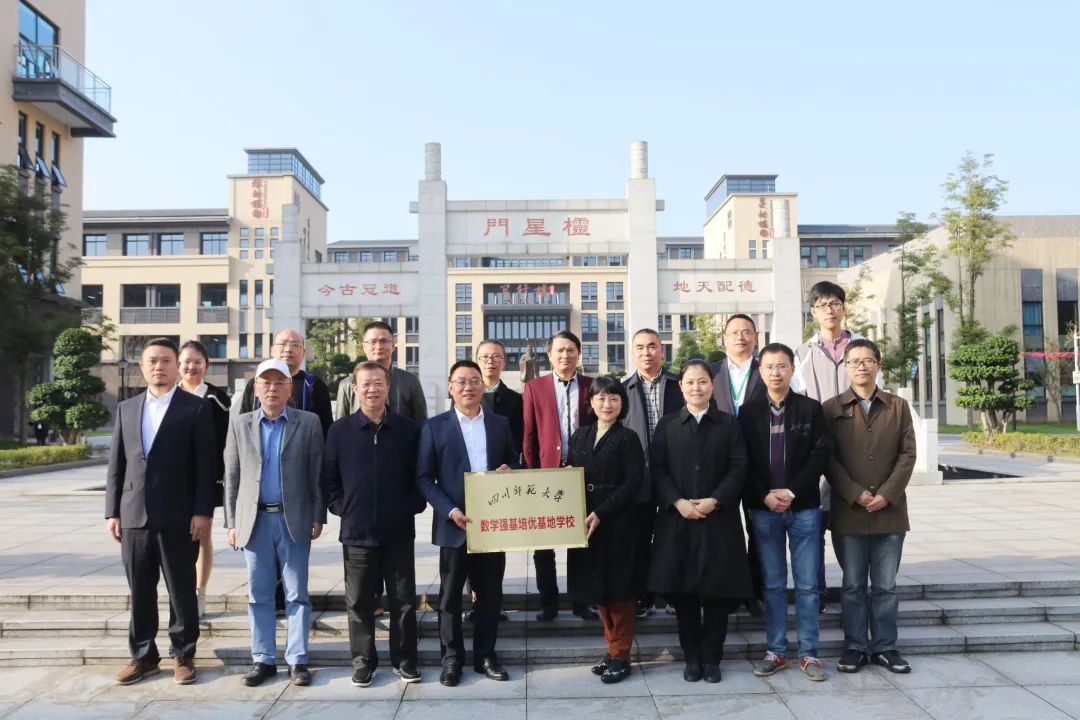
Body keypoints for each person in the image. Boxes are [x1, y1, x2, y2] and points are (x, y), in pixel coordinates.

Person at [105, 337, 217, 686]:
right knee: (140, 589)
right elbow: (117, 464)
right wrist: (112, 512)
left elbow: (206, 465)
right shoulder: (127, 408)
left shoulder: (195, 408)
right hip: (134, 514)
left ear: (176, 366)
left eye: (166, 360)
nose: (159, 366)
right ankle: (143, 656)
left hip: (180, 517)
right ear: (142, 367)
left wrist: (202, 512)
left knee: (181, 589)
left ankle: (183, 653)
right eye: (152, 361)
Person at [322, 361, 425, 687]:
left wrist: (412, 506)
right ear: (355, 389)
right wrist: (344, 508)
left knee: (403, 600)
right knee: (359, 602)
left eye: (378, 383)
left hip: (399, 531)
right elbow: (329, 480)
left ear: (388, 387)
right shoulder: (340, 431)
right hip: (357, 532)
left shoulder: (408, 430)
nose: (372, 389)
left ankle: (405, 659)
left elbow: (420, 476)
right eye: (365, 384)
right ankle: (363, 661)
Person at [648, 359, 751, 684]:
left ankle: (712, 658)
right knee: (685, 596)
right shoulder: (667, 425)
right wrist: (677, 502)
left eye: (702, 381)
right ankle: (692, 658)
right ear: (681, 387)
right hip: (678, 521)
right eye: (690, 382)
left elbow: (739, 467)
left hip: (718, 520)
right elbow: (658, 470)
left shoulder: (728, 424)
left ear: (712, 385)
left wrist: (715, 500)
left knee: (718, 594)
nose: (696, 387)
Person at [224, 358, 325, 688]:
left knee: (297, 594)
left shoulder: (308, 423)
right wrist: (231, 522)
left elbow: (317, 472)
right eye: (265, 382)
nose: (272, 388)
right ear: (256, 388)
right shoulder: (240, 424)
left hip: (293, 519)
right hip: (253, 521)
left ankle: (298, 660)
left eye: (279, 382)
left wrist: (318, 515)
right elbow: (232, 475)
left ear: (289, 388)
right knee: (259, 594)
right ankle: (263, 658)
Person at [416, 360, 517, 687]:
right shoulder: (434, 427)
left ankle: (485, 656)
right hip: (454, 525)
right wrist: (449, 510)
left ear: (483, 385)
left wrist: (510, 471)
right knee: (449, 598)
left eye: (474, 380)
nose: (468, 387)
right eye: (461, 381)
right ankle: (451, 659)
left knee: (490, 595)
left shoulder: (499, 423)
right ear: (450, 387)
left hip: (492, 524)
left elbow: (515, 462)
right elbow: (423, 478)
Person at [738, 343, 832, 683]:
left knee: (807, 585)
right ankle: (776, 651)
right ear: (760, 371)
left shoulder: (810, 408)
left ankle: (809, 653)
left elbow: (820, 455)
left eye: (782, 366)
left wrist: (791, 491)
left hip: (803, 507)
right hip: (765, 509)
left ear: (792, 369)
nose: (775, 373)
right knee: (774, 585)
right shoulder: (748, 412)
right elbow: (742, 461)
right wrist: (764, 495)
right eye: (769, 367)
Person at [823, 339, 916, 675]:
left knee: (885, 586)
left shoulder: (897, 406)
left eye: (868, 360)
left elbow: (908, 454)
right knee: (852, 585)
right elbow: (827, 458)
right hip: (849, 511)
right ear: (845, 367)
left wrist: (887, 493)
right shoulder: (831, 408)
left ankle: (885, 647)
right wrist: (854, 492)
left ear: (878, 365)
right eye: (854, 361)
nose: (861, 366)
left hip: (890, 512)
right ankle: (855, 647)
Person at [792, 281, 879, 611]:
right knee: (812, 526)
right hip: (814, 451)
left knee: (853, 525)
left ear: (844, 307)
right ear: (813, 312)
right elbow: (798, 401)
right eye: (822, 305)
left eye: (834, 303)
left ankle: (856, 592)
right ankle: (816, 593)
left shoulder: (861, 348)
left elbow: (876, 395)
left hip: (856, 449)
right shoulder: (802, 353)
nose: (829, 310)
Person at [566, 376, 645, 684]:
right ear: (591, 402)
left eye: (613, 398)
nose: (607, 404)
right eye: (600, 398)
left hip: (617, 523)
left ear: (622, 403)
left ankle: (621, 655)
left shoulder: (628, 438)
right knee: (598, 591)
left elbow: (633, 482)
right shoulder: (580, 436)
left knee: (619, 592)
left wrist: (602, 511)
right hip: (585, 522)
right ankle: (612, 650)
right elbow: (570, 472)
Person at [522, 330, 596, 621]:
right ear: (550, 355)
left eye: (570, 350)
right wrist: (532, 475)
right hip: (547, 475)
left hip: (582, 474)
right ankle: (548, 603)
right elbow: (529, 435)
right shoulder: (534, 388)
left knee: (582, 541)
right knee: (544, 543)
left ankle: (581, 601)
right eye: (560, 351)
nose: (565, 355)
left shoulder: (591, 386)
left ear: (579, 354)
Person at [711, 314, 768, 617]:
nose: (740, 337)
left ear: (756, 337)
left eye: (747, 332)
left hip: (759, 464)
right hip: (720, 466)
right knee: (726, 531)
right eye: (734, 332)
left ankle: (755, 592)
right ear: (724, 338)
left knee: (759, 531)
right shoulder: (711, 373)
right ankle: (729, 590)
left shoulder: (766, 370)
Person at [622, 329, 681, 619]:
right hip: (640, 476)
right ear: (633, 352)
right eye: (640, 347)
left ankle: (672, 594)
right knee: (639, 539)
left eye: (652, 347)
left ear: (662, 350)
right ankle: (643, 596)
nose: (646, 352)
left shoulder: (678, 385)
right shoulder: (623, 389)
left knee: (673, 537)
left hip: (675, 473)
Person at [465, 339, 523, 623]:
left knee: (495, 546)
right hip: (469, 484)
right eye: (485, 357)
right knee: (470, 545)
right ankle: (475, 601)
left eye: (496, 356)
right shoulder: (465, 393)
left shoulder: (514, 399)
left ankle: (494, 601)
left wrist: (511, 466)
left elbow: (518, 442)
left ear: (504, 361)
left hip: (499, 483)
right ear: (477, 360)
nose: (490, 361)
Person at [177, 339, 232, 618]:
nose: (192, 367)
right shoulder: (168, 395)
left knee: (202, 535)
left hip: (205, 479)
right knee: (176, 537)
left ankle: (200, 591)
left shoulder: (217, 399)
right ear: (178, 365)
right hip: (173, 480)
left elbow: (226, 442)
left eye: (197, 362)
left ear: (206, 365)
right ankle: (180, 592)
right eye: (186, 361)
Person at [233, 329, 333, 436]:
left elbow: (326, 428)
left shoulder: (314, 385)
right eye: (282, 344)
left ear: (303, 352)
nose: (288, 349)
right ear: (272, 350)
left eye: (295, 345)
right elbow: (243, 426)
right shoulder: (256, 383)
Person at [333, 321, 428, 423]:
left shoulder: (410, 381)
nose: (378, 347)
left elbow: (421, 423)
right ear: (364, 346)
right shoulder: (347, 385)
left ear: (393, 345)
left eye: (383, 341)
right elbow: (340, 426)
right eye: (372, 342)